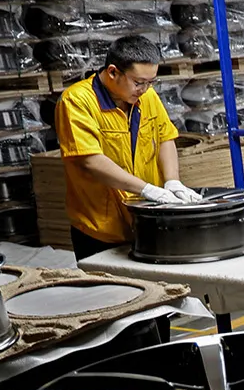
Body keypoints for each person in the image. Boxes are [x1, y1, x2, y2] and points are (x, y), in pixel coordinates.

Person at [54, 35, 195, 260]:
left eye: (151, 82)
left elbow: (165, 137)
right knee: (110, 293)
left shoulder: (147, 96)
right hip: (101, 228)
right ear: (112, 72)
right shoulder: (77, 102)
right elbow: (90, 161)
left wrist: (172, 180)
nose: (145, 89)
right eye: (139, 82)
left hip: (147, 220)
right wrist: (147, 190)